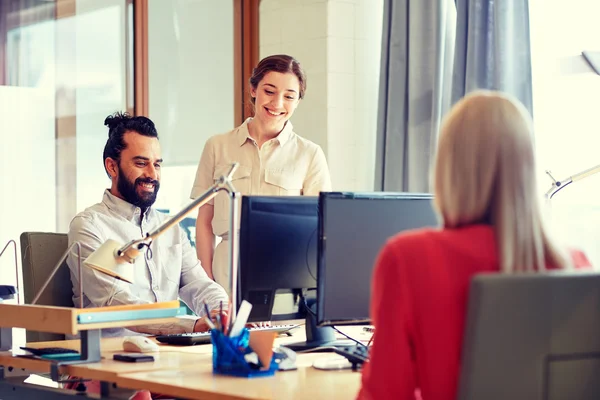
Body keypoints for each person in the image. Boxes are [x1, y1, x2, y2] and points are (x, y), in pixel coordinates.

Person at [356, 91, 591, 400]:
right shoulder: (575, 266)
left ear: (447, 169)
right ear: (527, 168)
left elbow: (387, 393)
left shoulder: (408, 258)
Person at [66, 112, 229, 338]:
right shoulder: (89, 226)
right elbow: (117, 302)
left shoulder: (170, 228)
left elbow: (200, 284)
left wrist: (223, 312)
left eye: (157, 165)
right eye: (141, 163)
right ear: (112, 167)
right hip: (108, 359)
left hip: (167, 356)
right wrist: (190, 325)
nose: (152, 174)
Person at [190, 54, 332, 291]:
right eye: (269, 91)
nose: (277, 103)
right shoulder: (217, 146)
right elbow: (205, 221)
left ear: (297, 102)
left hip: (285, 275)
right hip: (225, 277)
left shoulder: (310, 154)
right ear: (253, 89)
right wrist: (207, 284)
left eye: (289, 96)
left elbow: (318, 230)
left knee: (277, 331)